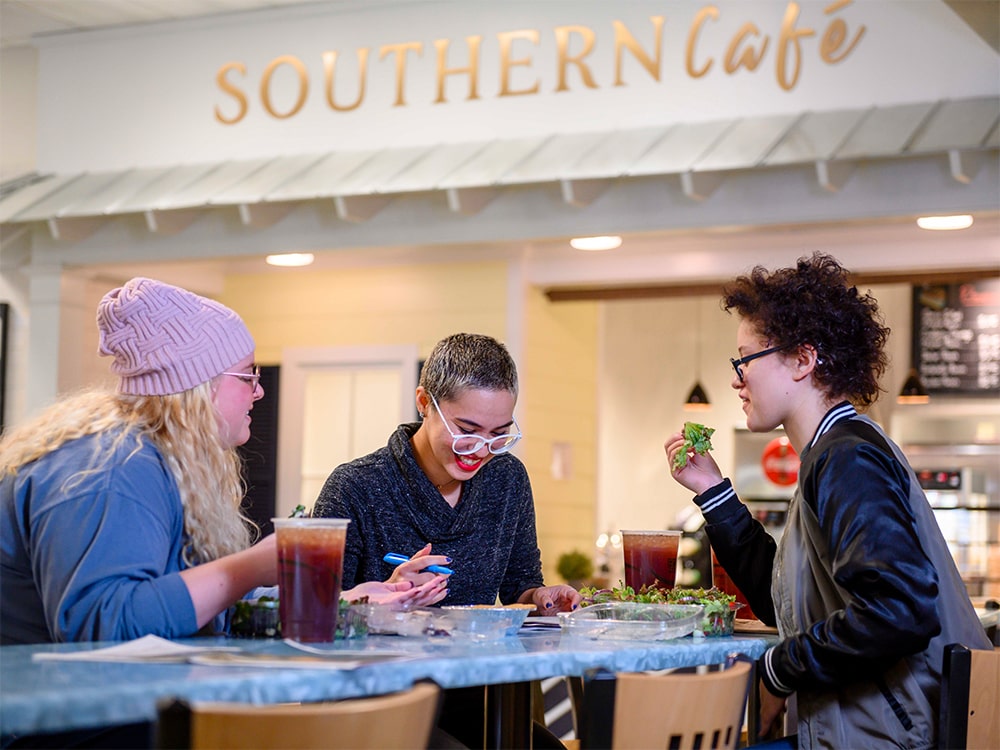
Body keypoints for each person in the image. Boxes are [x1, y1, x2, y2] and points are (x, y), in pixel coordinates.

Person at [0, 277, 446, 648]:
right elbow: (102, 628)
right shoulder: (110, 465)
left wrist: (349, 603)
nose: (259, 391)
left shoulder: (158, 460)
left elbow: (204, 607)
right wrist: (252, 564)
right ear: (196, 387)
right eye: (247, 375)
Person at [664, 253, 991, 749]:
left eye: (744, 359)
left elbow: (899, 609)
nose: (735, 378)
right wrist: (713, 492)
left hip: (892, 738)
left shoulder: (846, 459)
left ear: (803, 359)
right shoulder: (834, 450)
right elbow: (785, 605)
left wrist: (778, 669)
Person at [313, 332, 579, 749]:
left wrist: (543, 597)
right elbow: (312, 619)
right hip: (376, 698)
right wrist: (388, 596)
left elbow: (519, 587)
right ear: (424, 402)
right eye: (466, 430)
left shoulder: (506, 480)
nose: (480, 450)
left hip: (473, 691)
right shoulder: (355, 487)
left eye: (498, 434)